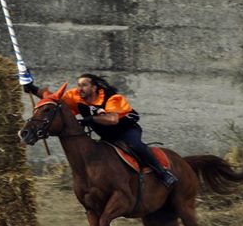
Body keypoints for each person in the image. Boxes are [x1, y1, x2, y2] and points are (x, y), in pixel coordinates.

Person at [24, 74, 178, 188]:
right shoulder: (77, 97)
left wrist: (90, 119)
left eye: (84, 85)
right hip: (106, 136)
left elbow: (112, 119)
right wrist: (32, 88)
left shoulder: (113, 98)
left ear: (94, 87)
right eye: (79, 85)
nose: (80, 89)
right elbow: (54, 100)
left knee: (136, 146)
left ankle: (163, 174)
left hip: (126, 131)